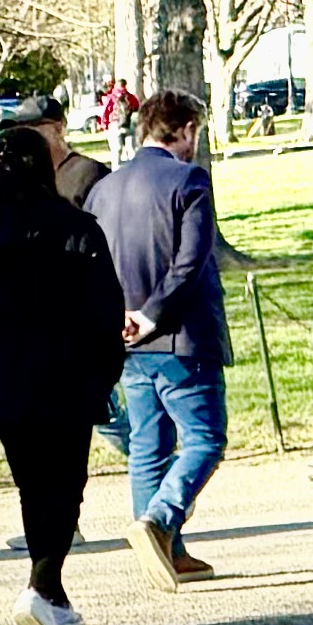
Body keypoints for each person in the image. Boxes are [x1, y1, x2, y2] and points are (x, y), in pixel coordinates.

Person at [0, 117, 127, 625]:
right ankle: (41, 587)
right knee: (65, 487)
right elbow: (104, 308)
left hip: (4, 383)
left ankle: (53, 594)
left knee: (35, 487)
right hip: (68, 378)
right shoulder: (75, 229)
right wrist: (103, 370)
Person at [84, 86, 230, 579]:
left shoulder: (104, 188)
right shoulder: (189, 180)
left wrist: (120, 315)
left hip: (125, 337)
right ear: (187, 129)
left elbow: (93, 266)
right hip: (180, 335)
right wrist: (150, 314)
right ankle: (159, 523)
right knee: (206, 439)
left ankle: (166, 554)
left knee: (148, 445)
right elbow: (190, 262)